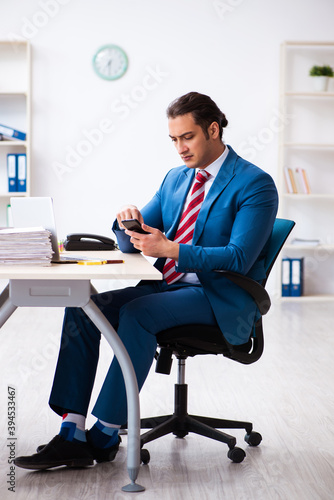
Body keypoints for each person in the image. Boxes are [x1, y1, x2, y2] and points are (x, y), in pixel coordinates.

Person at [15, 92, 278, 470]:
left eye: (187, 137)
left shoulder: (255, 184)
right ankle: (71, 432)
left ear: (213, 130)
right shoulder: (176, 178)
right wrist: (127, 224)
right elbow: (138, 239)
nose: (179, 148)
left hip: (218, 295)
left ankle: (103, 436)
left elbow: (238, 257)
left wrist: (171, 249)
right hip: (169, 287)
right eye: (173, 139)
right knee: (84, 307)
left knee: (137, 313)